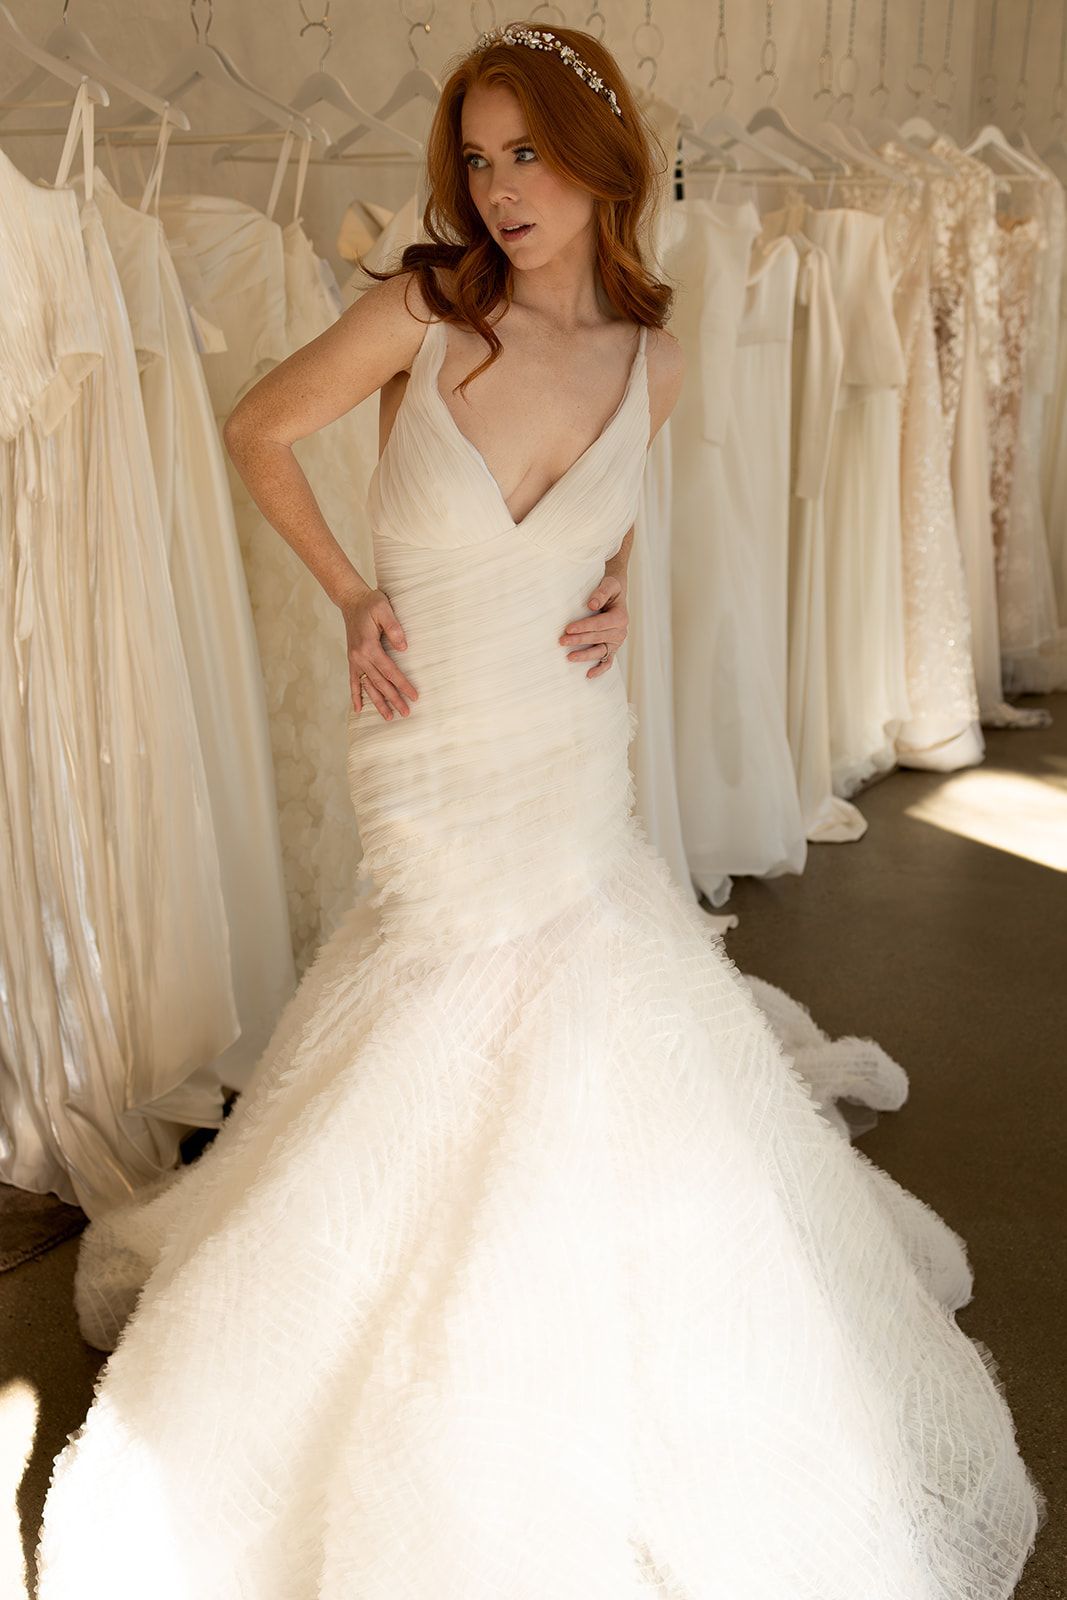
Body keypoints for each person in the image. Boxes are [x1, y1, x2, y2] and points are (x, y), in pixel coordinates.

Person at [35, 23, 1044, 1599]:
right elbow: (257, 431)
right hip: (433, 728)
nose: (503, 189)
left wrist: (621, 580)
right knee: (438, 973)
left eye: (532, 154)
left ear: (602, 161)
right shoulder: (425, 309)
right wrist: (354, 593)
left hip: (565, 737)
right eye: (483, 157)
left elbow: (626, 501)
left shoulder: (659, 351)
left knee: (586, 972)